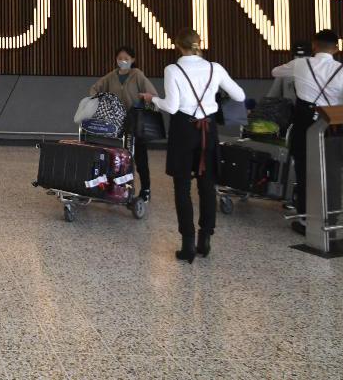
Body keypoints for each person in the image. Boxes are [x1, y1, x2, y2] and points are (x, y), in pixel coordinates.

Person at [140, 29, 245, 263]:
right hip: (209, 130)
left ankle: (187, 245)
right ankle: (204, 240)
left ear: (177, 46)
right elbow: (239, 95)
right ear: (199, 44)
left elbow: (172, 106)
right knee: (207, 185)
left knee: (182, 186)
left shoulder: (173, 70)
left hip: (183, 130)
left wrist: (152, 99)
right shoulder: (215, 68)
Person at [272, 29, 343, 235]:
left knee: (304, 170)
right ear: (336, 49)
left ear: (314, 46)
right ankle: (331, 218)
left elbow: (275, 72)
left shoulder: (301, 64)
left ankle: (306, 220)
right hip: (331, 126)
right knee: (331, 172)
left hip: (304, 123)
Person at [88, 46, 158, 201]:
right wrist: (102, 100)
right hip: (117, 124)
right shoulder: (111, 76)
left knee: (140, 158)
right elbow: (94, 89)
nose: (123, 61)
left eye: (126, 58)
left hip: (136, 123)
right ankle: (116, 188)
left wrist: (144, 100)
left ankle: (145, 189)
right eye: (120, 58)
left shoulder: (137, 75)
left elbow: (153, 94)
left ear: (133, 60)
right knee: (117, 157)